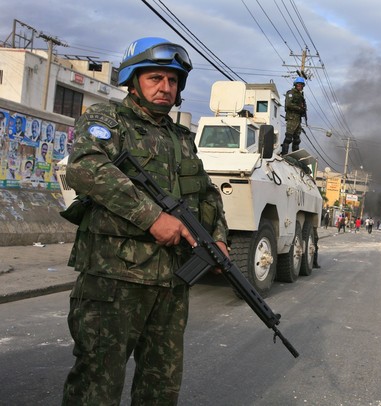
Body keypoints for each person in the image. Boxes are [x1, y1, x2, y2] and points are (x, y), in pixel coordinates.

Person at [61, 37, 230, 405]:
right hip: (113, 281)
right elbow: (86, 168)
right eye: (155, 78)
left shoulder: (182, 139)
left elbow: (206, 193)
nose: (165, 88)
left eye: (173, 82)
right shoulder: (106, 121)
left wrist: (217, 237)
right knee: (96, 384)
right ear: (133, 79)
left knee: (161, 386)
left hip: (171, 285)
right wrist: (153, 218)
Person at [280, 77, 307, 155]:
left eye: (301, 85)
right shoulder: (291, 93)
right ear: (295, 84)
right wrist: (299, 108)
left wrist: (303, 110)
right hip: (292, 117)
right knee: (288, 137)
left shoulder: (300, 95)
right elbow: (288, 104)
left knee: (297, 139)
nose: (300, 86)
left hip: (298, 119)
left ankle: (295, 155)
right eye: (298, 84)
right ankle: (284, 154)